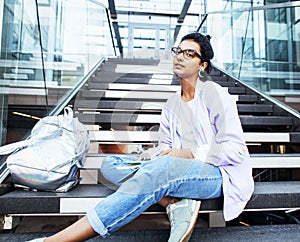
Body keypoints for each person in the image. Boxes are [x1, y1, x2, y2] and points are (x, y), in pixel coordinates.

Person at [29, 32, 254, 242]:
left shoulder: (216, 96)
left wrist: (188, 153)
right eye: (178, 51)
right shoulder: (171, 105)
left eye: (190, 54)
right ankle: (173, 202)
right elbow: (166, 146)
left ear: (202, 65)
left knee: (162, 169)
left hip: (217, 175)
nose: (180, 57)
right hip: (174, 169)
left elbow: (235, 150)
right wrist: (154, 154)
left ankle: (56, 240)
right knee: (110, 164)